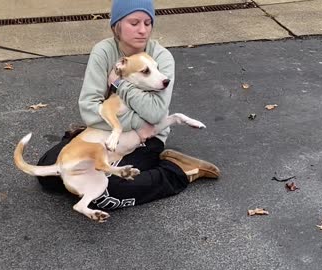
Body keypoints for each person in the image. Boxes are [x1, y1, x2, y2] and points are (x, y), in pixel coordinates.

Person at [37, 0, 220, 210]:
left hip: (146, 139)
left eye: (148, 23)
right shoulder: (104, 51)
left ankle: (176, 170)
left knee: (106, 191)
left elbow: (155, 113)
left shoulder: (162, 58)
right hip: (104, 132)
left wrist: (119, 83)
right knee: (48, 173)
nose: (143, 30)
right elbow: (89, 107)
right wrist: (135, 123)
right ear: (117, 25)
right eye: (134, 23)